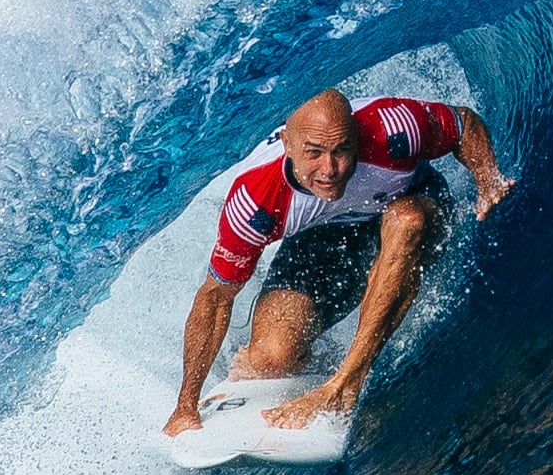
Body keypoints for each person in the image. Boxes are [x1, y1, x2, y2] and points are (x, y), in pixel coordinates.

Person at [166, 86, 512, 436]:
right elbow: (214, 299)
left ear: (356, 137)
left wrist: (488, 180)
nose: (330, 168)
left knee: (406, 222)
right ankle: (328, 362)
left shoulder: (392, 128)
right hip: (328, 237)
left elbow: (462, 123)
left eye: (342, 150)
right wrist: (185, 406)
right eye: (313, 152)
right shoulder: (255, 202)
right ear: (287, 143)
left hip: (414, 205)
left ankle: (346, 384)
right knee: (271, 360)